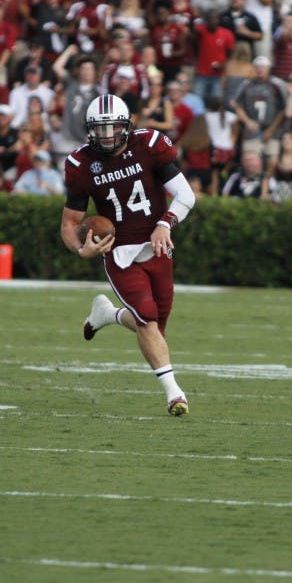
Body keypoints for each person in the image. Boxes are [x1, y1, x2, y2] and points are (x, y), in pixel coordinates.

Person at [61, 94, 196, 416]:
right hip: (119, 253)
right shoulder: (82, 164)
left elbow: (185, 194)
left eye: (113, 127)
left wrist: (165, 224)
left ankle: (107, 315)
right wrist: (82, 249)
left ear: (127, 124)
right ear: (89, 130)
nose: (107, 135)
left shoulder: (149, 145)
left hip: (158, 246)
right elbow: (69, 222)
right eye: (100, 129)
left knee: (155, 324)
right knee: (148, 319)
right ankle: (174, 394)